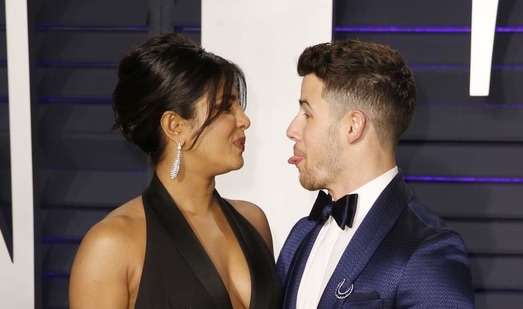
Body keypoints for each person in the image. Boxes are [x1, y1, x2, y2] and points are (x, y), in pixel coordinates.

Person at [69, 33, 281, 309]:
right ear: (175, 126)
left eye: (240, 105)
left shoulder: (253, 221)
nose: (244, 120)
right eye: (225, 107)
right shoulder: (112, 245)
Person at [276, 40, 475, 308]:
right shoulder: (301, 235)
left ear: (353, 126)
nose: (292, 129)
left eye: (307, 114)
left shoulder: (426, 250)